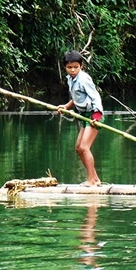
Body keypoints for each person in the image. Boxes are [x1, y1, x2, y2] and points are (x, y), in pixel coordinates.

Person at [57, 50, 104, 187]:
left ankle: (91, 181)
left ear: (81, 66)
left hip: (93, 115)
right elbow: (77, 97)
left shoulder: (84, 79)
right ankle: (95, 179)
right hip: (84, 116)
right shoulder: (70, 79)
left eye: (75, 67)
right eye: (69, 67)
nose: (72, 70)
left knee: (84, 147)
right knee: (78, 148)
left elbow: (95, 97)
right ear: (65, 67)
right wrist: (66, 106)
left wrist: (97, 116)